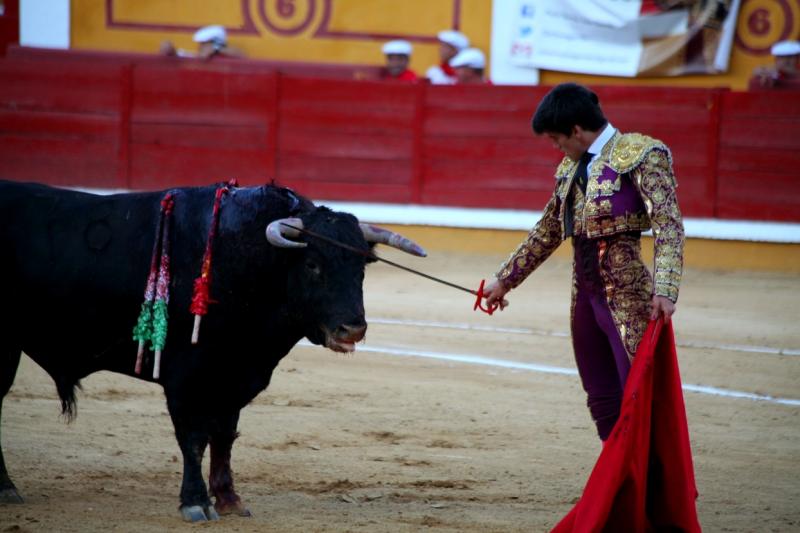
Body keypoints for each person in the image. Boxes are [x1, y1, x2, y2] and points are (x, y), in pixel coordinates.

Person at [482, 83, 685, 441]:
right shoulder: (570, 168)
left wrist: (666, 290)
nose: (557, 148)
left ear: (576, 130)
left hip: (628, 296)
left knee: (636, 393)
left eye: (557, 140)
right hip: (584, 296)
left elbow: (668, 226)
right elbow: (548, 229)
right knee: (601, 396)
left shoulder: (642, 153)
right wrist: (505, 279)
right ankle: (614, 479)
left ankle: (642, 485)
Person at [160, 25, 245, 60]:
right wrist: (169, 49)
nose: (200, 47)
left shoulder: (227, 57)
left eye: (204, 44)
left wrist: (216, 49)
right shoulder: (196, 57)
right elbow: (178, 54)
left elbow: (241, 54)